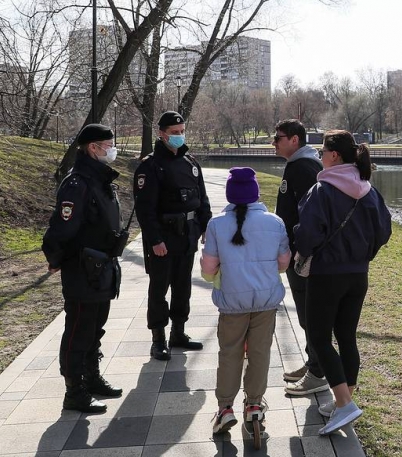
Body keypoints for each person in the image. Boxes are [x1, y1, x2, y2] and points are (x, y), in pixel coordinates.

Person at [294, 130, 392, 435]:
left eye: (322, 150)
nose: (319, 155)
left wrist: (302, 253)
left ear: (334, 155)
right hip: (357, 275)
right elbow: (384, 231)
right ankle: (344, 399)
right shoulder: (369, 191)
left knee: (320, 339)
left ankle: (344, 403)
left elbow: (307, 233)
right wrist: (364, 255)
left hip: (327, 274)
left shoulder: (322, 190)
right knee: (346, 336)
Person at [200, 167, 291, 435]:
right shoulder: (275, 222)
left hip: (231, 303)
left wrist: (213, 273)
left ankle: (225, 408)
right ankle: (254, 405)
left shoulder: (216, 225)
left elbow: (208, 270)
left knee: (230, 353)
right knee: (260, 354)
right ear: (256, 194)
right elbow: (284, 263)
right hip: (266, 301)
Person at [42, 123, 125, 413]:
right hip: (82, 267)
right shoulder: (77, 183)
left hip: (101, 266)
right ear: (93, 147)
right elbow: (63, 227)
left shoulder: (99, 179)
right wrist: (54, 258)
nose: (111, 149)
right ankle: (73, 390)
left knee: (95, 327)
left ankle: (91, 377)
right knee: (79, 329)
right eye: (108, 144)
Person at [133, 110, 211, 361]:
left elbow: (202, 198)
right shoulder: (151, 166)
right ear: (162, 134)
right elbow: (145, 210)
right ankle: (158, 339)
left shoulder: (190, 163)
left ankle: (179, 332)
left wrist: (206, 226)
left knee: (183, 286)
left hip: (187, 235)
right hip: (164, 238)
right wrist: (155, 240)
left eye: (181, 131)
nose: (179, 136)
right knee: (159, 289)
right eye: (174, 133)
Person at [271, 119, 329, 396]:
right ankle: (314, 362)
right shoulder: (299, 164)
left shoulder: (304, 167)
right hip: (298, 252)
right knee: (307, 314)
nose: (274, 142)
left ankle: (319, 372)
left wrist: (301, 250)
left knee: (310, 313)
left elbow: (311, 215)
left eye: (278, 137)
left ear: (295, 140)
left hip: (304, 255)